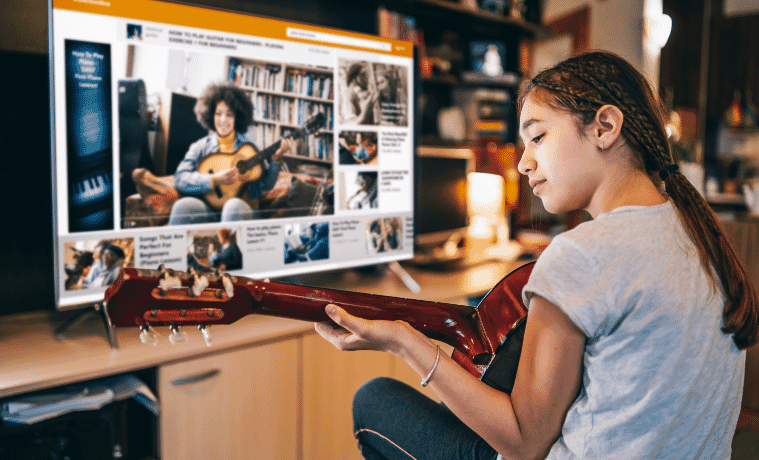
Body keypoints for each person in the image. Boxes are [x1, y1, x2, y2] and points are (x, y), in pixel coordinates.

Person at [314, 51, 759, 460]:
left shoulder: (581, 255)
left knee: (375, 399)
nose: (524, 162)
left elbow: (525, 442)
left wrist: (404, 342)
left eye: (538, 136)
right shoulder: (701, 237)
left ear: (605, 127)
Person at [168, 82, 296, 225]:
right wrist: (213, 180)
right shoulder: (200, 146)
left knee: (232, 206)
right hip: (210, 211)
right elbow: (179, 179)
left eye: (229, 114)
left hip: (242, 210)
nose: (223, 120)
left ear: (237, 117)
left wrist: (277, 159)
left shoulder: (250, 147)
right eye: (218, 114)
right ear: (210, 115)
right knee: (182, 206)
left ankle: (229, 247)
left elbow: (267, 185)